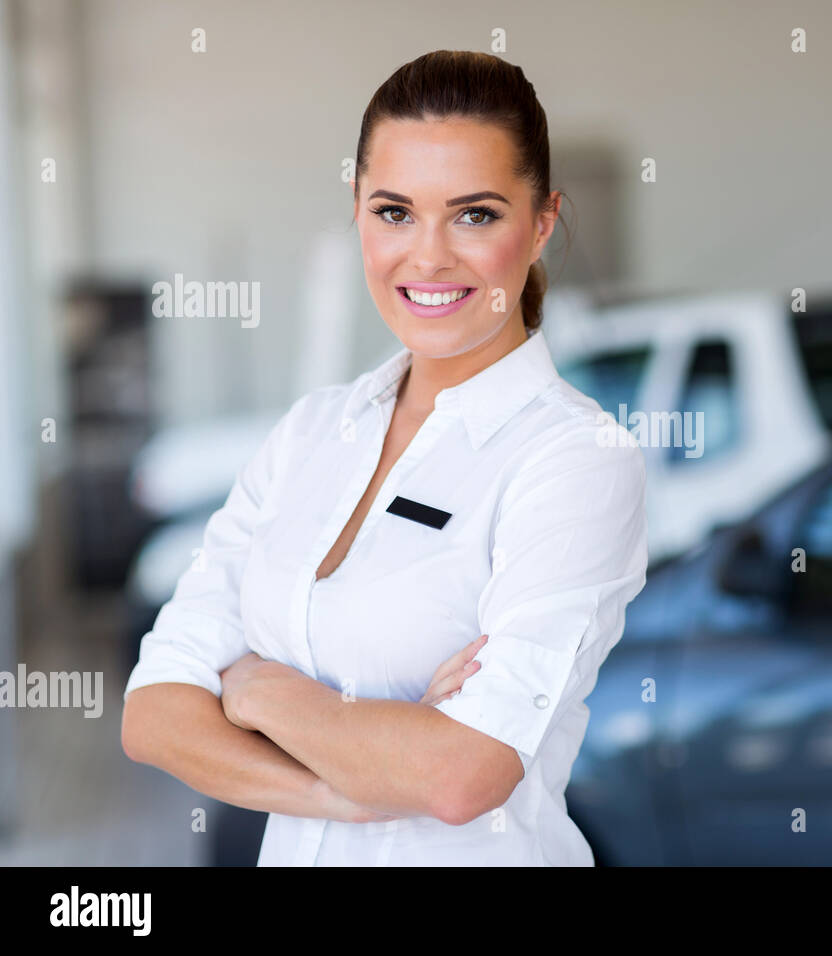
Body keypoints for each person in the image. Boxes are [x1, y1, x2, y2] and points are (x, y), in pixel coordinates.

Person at [120, 50, 648, 866]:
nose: (428, 256)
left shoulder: (574, 460)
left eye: (475, 215)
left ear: (542, 223)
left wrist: (260, 689)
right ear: (358, 214)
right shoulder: (308, 434)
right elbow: (153, 714)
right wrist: (346, 783)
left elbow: (462, 774)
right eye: (395, 212)